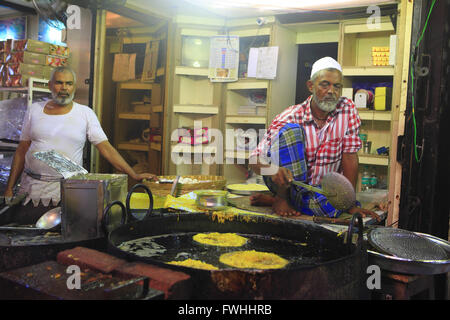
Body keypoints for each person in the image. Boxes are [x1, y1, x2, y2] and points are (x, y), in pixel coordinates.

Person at [2, 66, 158, 221]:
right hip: (32, 192)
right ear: (50, 85)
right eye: (59, 83)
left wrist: (133, 174)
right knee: (29, 235)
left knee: (65, 238)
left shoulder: (85, 113)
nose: (64, 88)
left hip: (69, 194)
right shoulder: (35, 110)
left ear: (74, 87)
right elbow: (22, 150)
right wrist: (9, 188)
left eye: (69, 83)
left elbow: (106, 148)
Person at [249, 57, 379, 221]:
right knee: (291, 132)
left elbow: (350, 156)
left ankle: (280, 202)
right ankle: (282, 198)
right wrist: (273, 170)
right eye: (325, 84)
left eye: (337, 86)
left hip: (320, 191)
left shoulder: (347, 109)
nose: (331, 91)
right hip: (288, 187)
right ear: (311, 86)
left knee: (332, 208)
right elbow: (254, 159)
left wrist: (350, 203)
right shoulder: (291, 115)